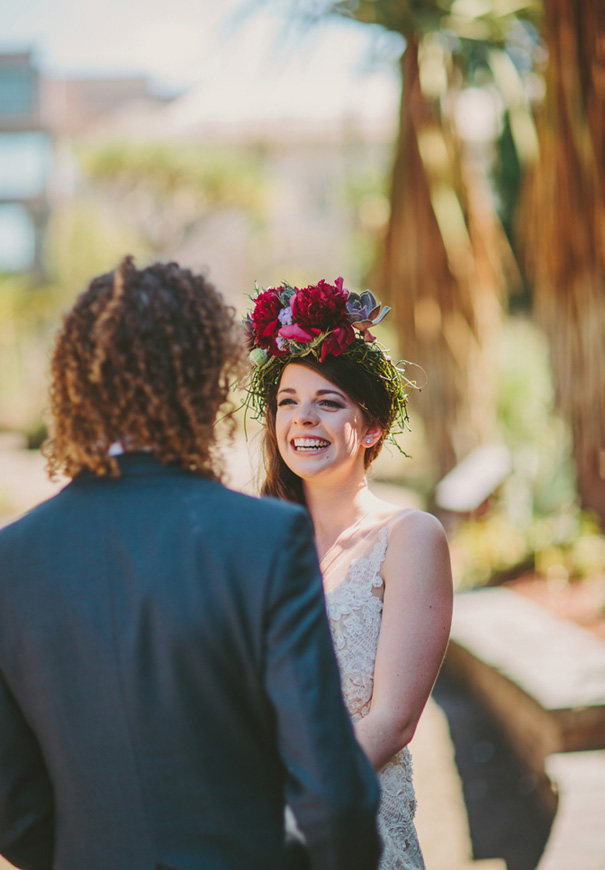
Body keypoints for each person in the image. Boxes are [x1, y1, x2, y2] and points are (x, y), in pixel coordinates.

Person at [0, 258, 382, 870]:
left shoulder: (10, 560)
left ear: (77, 384)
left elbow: (13, 810)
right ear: (207, 380)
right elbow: (331, 793)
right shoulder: (266, 538)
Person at [243, 277, 454, 869]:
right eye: (288, 400)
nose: (303, 419)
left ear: (373, 427)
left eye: (328, 402)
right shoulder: (249, 540)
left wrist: (287, 808)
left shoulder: (409, 538)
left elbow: (393, 720)